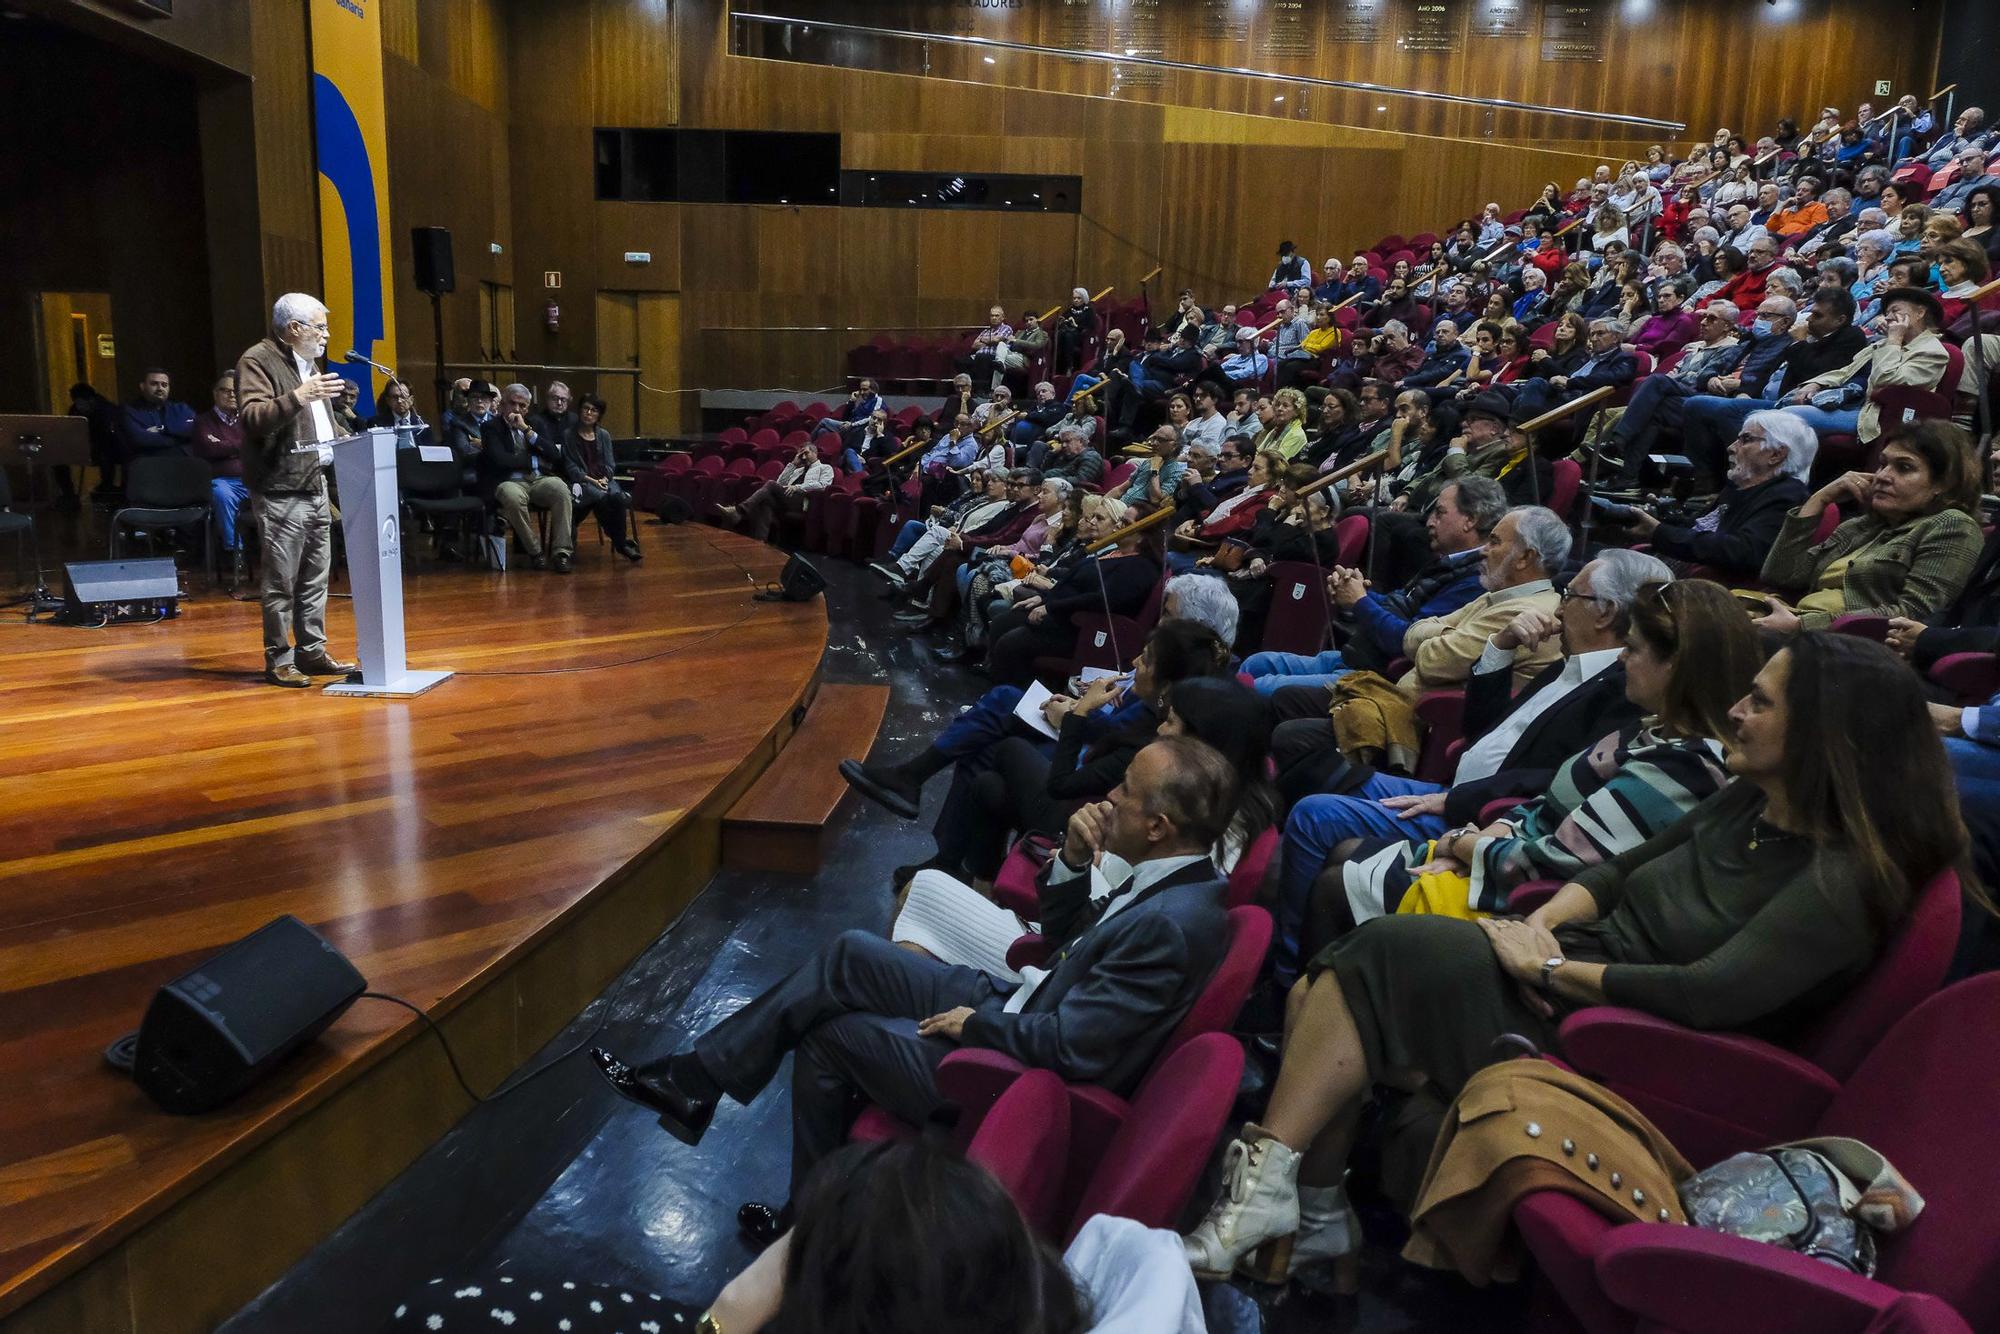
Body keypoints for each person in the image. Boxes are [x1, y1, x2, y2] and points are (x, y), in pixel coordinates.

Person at [1183, 633, 1967, 1279]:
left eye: (1761, 701)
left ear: (1824, 735)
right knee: (1325, 989)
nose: (1735, 709)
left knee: (1369, 954)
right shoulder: (1750, 797)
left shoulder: (1847, 875)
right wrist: (1551, 923)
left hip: (1632, 1033)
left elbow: (1708, 993)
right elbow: (1617, 871)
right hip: (1575, 969)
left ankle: (1295, 1202)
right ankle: (1306, 1206)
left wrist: (1550, 969)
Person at [589, 736, 1240, 1217]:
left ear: (1158, 826)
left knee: (829, 1037)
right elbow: (1069, 944)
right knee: (850, 952)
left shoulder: (1170, 924)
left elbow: (1078, 1048)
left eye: (1125, 790)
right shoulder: (1177, 878)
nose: (1110, 798)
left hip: (1015, 1065)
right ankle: (696, 1083)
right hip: (1025, 1004)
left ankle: (800, 1221)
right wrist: (1070, 859)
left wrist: (975, 1023)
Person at [1267, 548, 1665, 983]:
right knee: (1309, 772)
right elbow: (1479, 729)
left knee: (1314, 814)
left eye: (1568, 595)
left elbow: (1554, 781)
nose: (1558, 605)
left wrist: (1456, 802)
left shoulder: (1621, 692)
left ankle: (1285, 975)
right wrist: (1499, 648)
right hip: (1458, 792)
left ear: (1604, 612)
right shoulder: (1568, 665)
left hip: (1483, 813)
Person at [1306, 580, 1757, 951]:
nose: (1623, 657)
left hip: (1521, 893)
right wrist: (1487, 836)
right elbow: (1517, 771)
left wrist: (1463, 841)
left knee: (1328, 862)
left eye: (1635, 649)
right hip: (1499, 836)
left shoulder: (1679, 762)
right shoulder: (1646, 724)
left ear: (1676, 666)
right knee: (1337, 847)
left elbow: (1562, 858)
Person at [894, 674, 1273, 976]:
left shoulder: (1209, 833)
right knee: (989, 789)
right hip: (1082, 930)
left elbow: (1124, 912)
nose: (1159, 731)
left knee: (919, 893)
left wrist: (1078, 861)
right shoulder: (1226, 804)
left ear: (1202, 741)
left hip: (1070, 960)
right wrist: (1079, 856)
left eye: (1170, 723)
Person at [1242, 476, 1503, 694]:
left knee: (1258, 687)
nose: (1429, 521)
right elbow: (1402, 604)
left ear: (1471, 520)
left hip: (1376, 675)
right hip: (1359, 655)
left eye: (1440, 512)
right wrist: (1358, 592)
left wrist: (1360, 602)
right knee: (1255, 663)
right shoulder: (1448, 562)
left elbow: (1407, 641)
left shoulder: (1474, 580)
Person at [1757, 420, 1984, 633]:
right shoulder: (1863, 525)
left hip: (1851, 647)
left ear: (1944, 483)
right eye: (1883, 464)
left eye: (1904, 468)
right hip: (1802, 625)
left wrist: (1803, 625)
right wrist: (1819, 499)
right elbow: (1780, 575)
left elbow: (1915, 614)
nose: (1883, 476)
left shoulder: (1952, 526)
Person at [235, 293, 357, 688]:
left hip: (316, 484)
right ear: (294, 329)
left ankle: (312, 651)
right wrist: (298, 396)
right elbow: (253, 418)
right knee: (281, 583)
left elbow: (318, 425)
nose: (326, 334)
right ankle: (279, 658)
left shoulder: (310, 365)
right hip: (280, 488)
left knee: (315, 579)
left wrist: (349, 437)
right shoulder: (258, 360)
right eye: (320, 326)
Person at [1611, 410, 1815, 579]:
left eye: (1745, 439)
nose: (1731, 448)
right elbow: (1697, 526)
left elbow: (1741, 551)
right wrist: (1658, 517)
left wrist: (1660, 533)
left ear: (1777, 454)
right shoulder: (1740, 487)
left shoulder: (1787, 497)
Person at [983, 496, 1160, 688]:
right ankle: (993, 688)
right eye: (1119, 521)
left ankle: (1010, 702)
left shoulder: (1140, 567)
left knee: (1010, 644)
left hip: (1081, 629)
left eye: (1125, 523)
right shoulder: (1113, 552)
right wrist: (1042, 598)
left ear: (1142, 535)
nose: (1118, 526)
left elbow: (1101, 600)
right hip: (1061, 613)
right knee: (1002, 622)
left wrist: (1050, 606)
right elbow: (1071, 582)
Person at [478, 382, 576, 572]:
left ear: (527, 408)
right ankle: (536, 552)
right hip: (509, 480)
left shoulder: (534, 423)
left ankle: (561, 553)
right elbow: (500, 460)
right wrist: (533, 461)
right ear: (502, 404)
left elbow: (555, 455)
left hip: (538, 480)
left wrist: (527, 431)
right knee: (512, 496)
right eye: (512, 403)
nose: (516, 409)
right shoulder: (491, 427)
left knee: (561, 489)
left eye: (522, 406)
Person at [562, 394, 641, 560]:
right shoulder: (569, 435)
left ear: (599, 415)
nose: (588, 413)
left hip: (604, 480)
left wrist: (605, 479)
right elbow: (571, 467)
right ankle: (621, 543)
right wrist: (593, 481)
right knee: (601, 498)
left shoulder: (603, 434)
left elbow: (610, 464)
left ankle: (618, 540)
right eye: (585, 408)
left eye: (594, 410)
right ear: (580, 410)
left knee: (618, 498)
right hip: (583, 482)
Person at [191, 373, 249, 575]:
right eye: (226, 390)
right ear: (215, 394)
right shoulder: (202, 421)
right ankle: (235, 552)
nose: (232, 395)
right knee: (221, 494)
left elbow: (259, 446)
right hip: (223, 481)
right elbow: (208, 450)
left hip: (252, 480)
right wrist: (242, 446)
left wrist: (224, 446)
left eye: (236, 391)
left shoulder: (250, 418)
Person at [115, 367, 196, 462]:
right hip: (147, 466)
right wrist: (180, 438)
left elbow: (197, 431)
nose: (160, 388)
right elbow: (140, 439)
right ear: (142, 386)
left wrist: (162, 429)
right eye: (154, 384)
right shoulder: (129, 411)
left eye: (164, 385)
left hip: (181, 464)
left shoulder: (181, 409)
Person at [370, 379, 431, 449]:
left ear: (411, 400)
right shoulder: (377, 424)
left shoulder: (423, 425)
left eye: (403, 397)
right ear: (388, 400)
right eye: (395, 397)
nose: (399, 401)